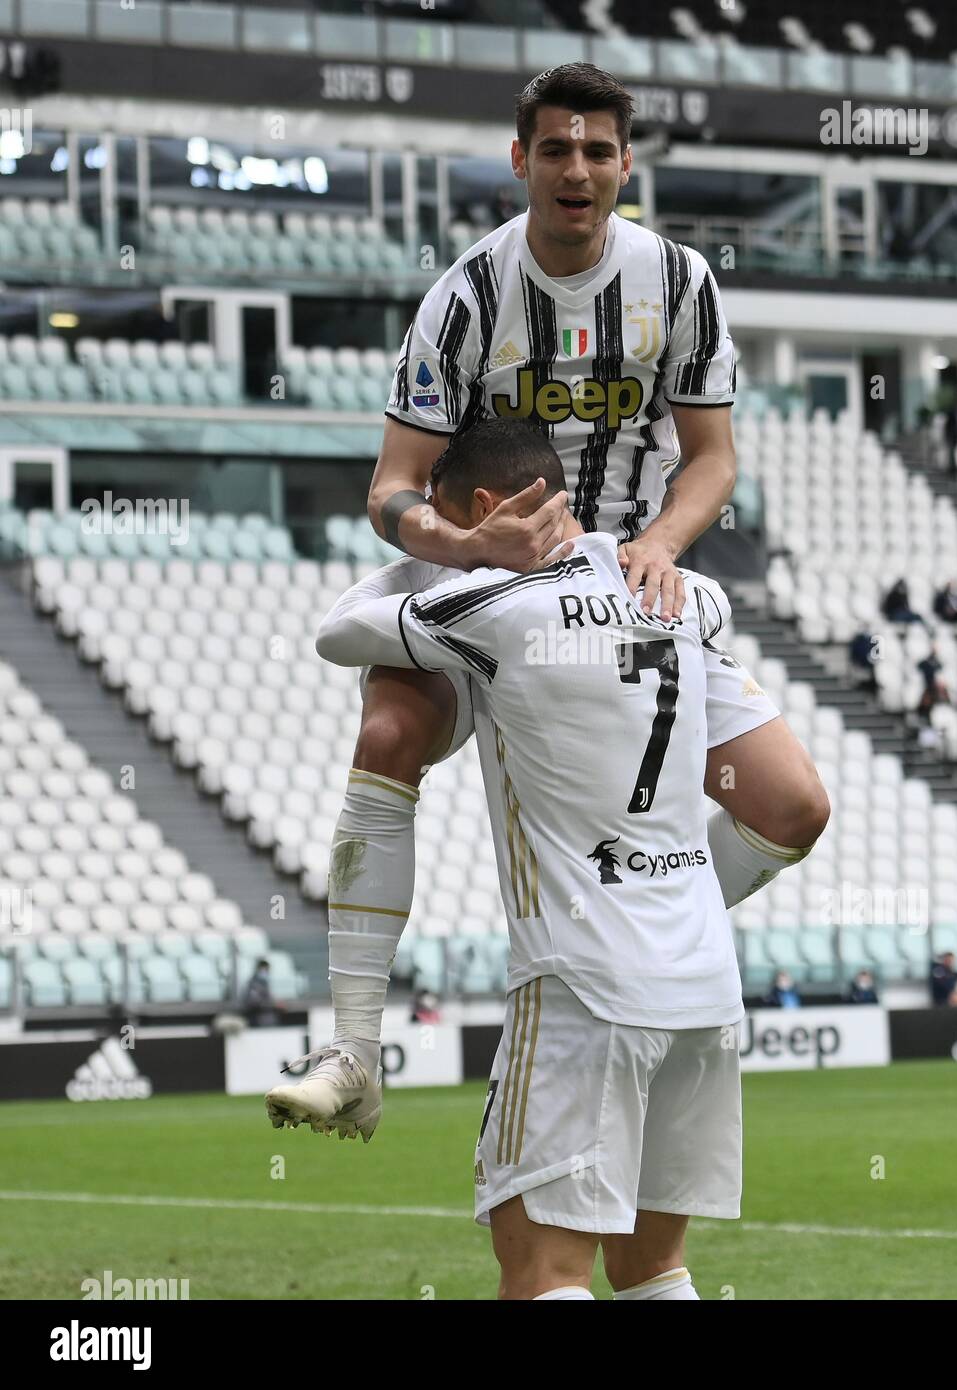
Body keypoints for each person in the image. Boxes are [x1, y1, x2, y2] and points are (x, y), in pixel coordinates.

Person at [306, 64, 829, 1171]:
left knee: (790, 804)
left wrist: (660, 542)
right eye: (556, 151)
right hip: (487, 578)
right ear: (521, 163)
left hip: (626, 585)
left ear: (624, 165)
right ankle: (353, 1050)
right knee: (388, 733)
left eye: (598, 152)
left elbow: (714, 458)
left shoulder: (680, 282)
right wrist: (458, 544)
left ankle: (632, 941)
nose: (577, 170)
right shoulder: (463, 295)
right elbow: (389, 487)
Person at [269, 419, 825, 1302]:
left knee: (542, 1271)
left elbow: (337, 634)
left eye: (466, 531)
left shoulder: (491, 606)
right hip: (700, 982)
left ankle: (353, 1048)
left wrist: (450, 552)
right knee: (652, 1270)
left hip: (583, 980)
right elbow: (793, 802)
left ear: (490, 511)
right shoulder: (688, 597)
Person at [241, 958, 281, 1028]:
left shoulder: (264, 983)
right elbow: (253, 1002)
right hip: (258, 1019)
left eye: (267, 970)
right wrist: (273, 1004)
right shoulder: (253, 983)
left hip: (267, 1019)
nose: (266, 972)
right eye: (264, 969)